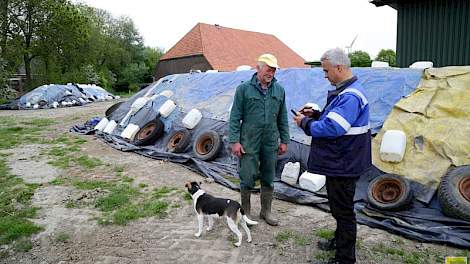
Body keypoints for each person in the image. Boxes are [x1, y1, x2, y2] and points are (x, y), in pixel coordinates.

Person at [293, 48, 372, 264]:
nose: (325, 75)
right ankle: (339, 241)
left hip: (344, 163)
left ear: (339, 67)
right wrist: (317, 115)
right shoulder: (347, 91)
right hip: (341, 161)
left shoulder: (350, 96)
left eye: (326, 71)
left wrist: (305, 123)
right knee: (338, 208)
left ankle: (345, 258)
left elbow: (333, 128)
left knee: (344, 211)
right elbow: (338, 122)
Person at [228, 54, 289, 226]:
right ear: (258, 68)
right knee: (247, 176)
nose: (271, 72)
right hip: (249, 140)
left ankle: (266, 211)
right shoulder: (244, 89)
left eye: (274, 69)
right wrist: (235, 141)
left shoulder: (279, 90)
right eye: (268, 69)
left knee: (269, 176)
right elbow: (234, 117)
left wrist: (284, 140)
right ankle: (245, 213)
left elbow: (282, 117)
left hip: (270, 140)